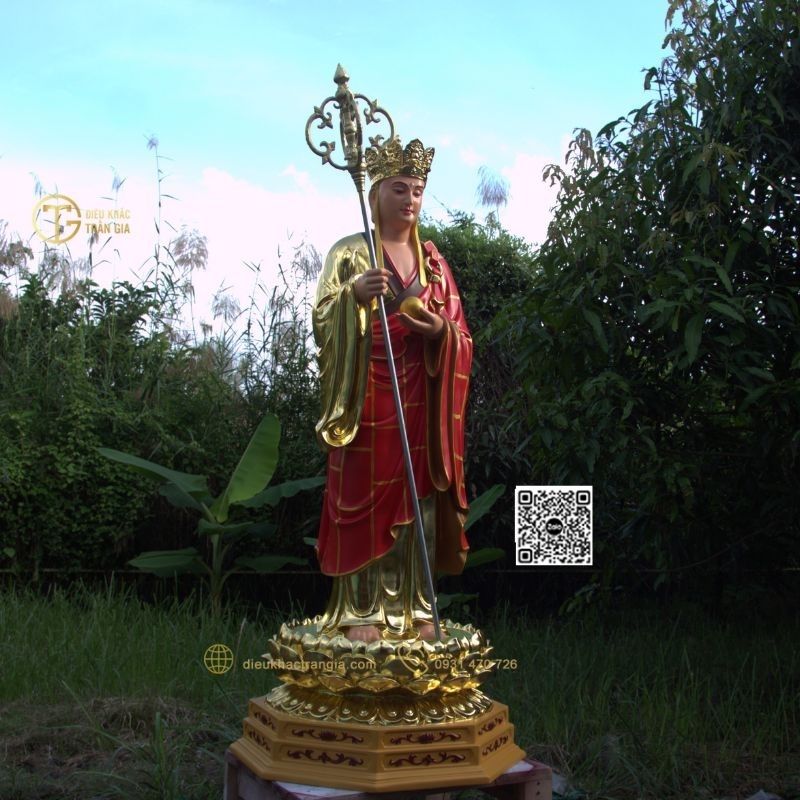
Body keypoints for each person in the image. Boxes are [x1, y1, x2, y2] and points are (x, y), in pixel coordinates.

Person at [313, 137, 472, 642]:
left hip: (421, 393)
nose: (410, 199)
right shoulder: (350, 251)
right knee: (362, 494)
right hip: (365, 390)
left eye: (418, 190)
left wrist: (440, 332)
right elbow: (322, 319)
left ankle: (417, 607)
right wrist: (353, 297)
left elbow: (461, 333)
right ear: (376, 192)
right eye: (399, 188)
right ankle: (361, 610)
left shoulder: (433, 262)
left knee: (420, 498)